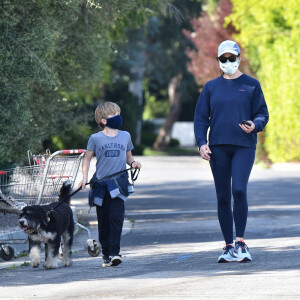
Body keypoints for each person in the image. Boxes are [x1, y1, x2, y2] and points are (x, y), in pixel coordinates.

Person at [194, 40, 269, 263]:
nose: (228, 62)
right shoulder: (211, 87)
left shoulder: (252, 85)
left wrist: (255, 125)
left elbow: (262, 114)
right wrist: (201, 142)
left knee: (238, 190)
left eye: (232, 58)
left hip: (244, 146)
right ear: (219, 61)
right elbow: (200, 118)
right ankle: (228, 246)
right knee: (222, 196)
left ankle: (241, 242)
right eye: (223, 59)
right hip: (218, 147)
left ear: (239, 58)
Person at [78, 101, 141, 267]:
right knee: (104, 221)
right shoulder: (95, 138)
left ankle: (115, 253)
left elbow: (128, 156)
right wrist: (84, 177)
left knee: (116, 219)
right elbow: (87, 158)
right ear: (104, 120)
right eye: (115, 115)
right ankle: (106, 253)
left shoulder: (125, 135)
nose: (119, 117)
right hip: (101, 185)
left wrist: (133, 162)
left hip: (119, 184)